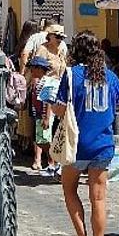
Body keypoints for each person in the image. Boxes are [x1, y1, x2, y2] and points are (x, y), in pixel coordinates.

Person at [51, 30, 119, 236]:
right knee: (99, 199)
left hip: (77, 146)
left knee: (69, 190)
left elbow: (59, 109)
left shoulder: (71, 75)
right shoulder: (110, 76)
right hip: (103, 145)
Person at [32, 42, 68, 176]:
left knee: (45, 140)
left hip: (45, 115)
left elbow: (48, 100)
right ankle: (52, 163)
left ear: (40, 69)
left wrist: (46, 117)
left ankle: (53, 163)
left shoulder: (47, 82)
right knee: (42, 139)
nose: (32, 71)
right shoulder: (40, 81)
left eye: (34, 68)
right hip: (39, 114)